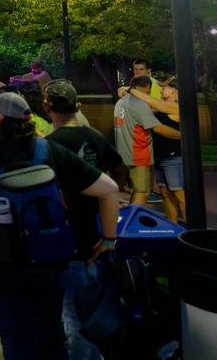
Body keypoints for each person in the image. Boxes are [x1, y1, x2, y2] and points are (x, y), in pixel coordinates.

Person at [0, 93, 120, 360]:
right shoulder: (48, 150)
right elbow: (109, 190)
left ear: (0, 120)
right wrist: (109, 239)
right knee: (51, 329)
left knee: (13, 332)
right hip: (49, 253)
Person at [45, 80, 127, 360]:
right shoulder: (94, 137)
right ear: (78, 106)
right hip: (98, 234)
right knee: (96, 306)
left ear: (47, 108)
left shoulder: (49, 146)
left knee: (71, 313)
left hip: (65, 237)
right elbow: (119, 172)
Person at [123, 78, 184, 221]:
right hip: (160, 156)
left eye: (165, 88)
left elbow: (152, 102)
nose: (161, 90)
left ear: (174, 90)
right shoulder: (160, 107)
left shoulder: (176, 106)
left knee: (179, 194)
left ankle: (192, 230)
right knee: (164, 192)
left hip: (173, 158)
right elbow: (147, 106)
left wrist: (131, 90)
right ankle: (173, 228)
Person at [113, 75, 177, 206]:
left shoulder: (121, 102)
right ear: (148, 87)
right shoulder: (140, 105)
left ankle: (128, 219)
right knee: (142, 192)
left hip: (124, 153)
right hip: (138, 155)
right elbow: (158, 129)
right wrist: (184, 135)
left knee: (135, 191)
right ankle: (131, 224)